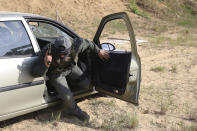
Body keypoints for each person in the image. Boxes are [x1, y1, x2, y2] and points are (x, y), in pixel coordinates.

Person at [31, 36, 109, 122]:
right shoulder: (47, 51)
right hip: (57, 74)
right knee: (68, 96)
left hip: (71, 68)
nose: (62, 55)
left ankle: (66, 87)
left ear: (70, 48)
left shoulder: (77, 44)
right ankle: (75, 111)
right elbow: (34, 73)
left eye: (64, 53)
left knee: (86, 85)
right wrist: (46, 64)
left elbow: (88, 43)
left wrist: (98, 50)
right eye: (59, 53)